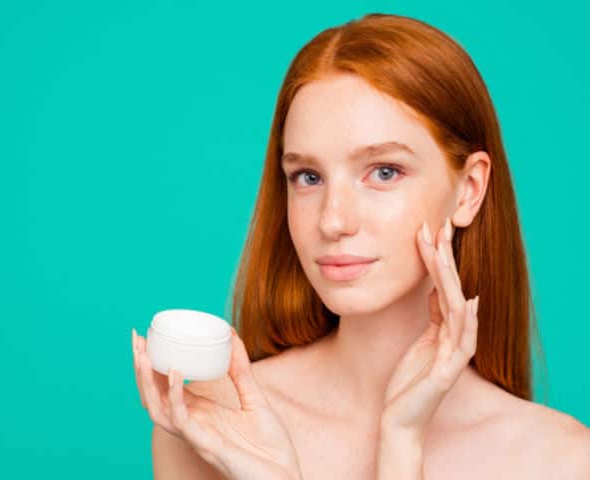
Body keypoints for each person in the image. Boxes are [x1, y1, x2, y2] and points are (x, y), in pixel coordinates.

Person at [131, 12, 590, 479]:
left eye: (384, 172)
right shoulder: (211, 423)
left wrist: (401, 441)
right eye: (308, 177)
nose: (333, 220)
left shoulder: (561, 460)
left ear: (469, 189)